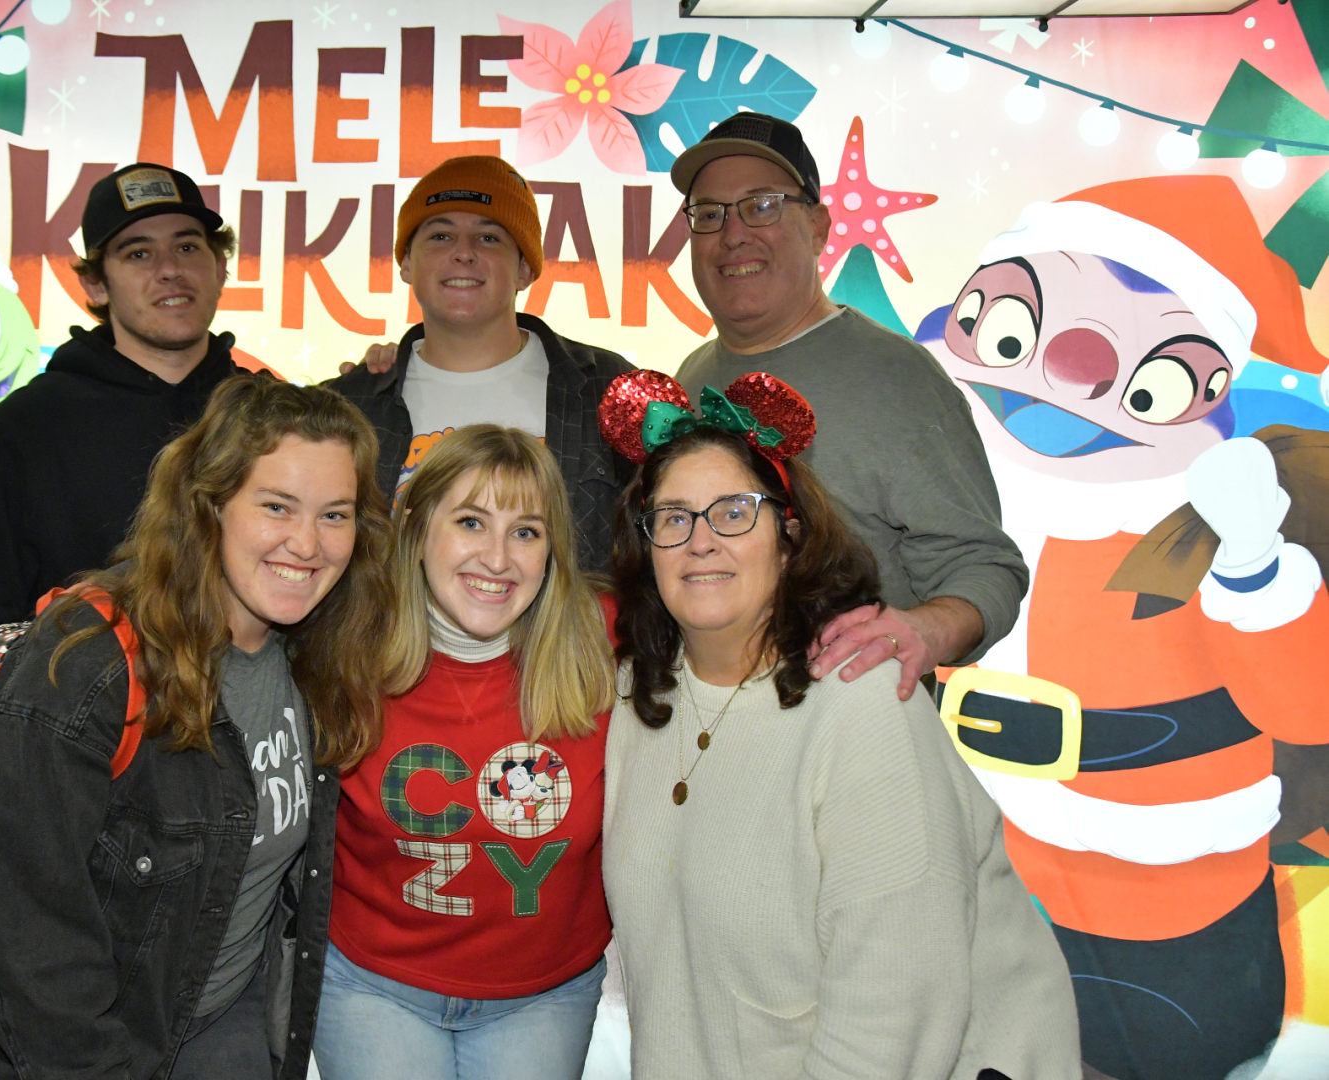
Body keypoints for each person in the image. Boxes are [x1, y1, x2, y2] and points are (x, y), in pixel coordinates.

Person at [598, 371, 1081, 1079]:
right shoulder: (635, 696)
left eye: (735, 512)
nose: (701, 541)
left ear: (789, 536)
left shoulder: (862, 699)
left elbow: (894, 1011)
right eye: (674, 518)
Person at [0, 375, 392, 1080]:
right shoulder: (90, 665)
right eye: (276, 506)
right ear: (211, 505)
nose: (307, 543)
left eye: (335, 515)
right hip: (69, 1046)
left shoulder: (321, 655)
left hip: (220, 1016)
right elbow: (29, 942)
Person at [669, 112, 1028, 700]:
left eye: (762, 206)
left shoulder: (899, 379)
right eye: (709, 214)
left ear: (818, 228)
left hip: (855, 728)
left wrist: (925, 629)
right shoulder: (692, 377)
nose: (733, 234)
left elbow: (986, 568)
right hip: (708, 724)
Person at [0, 162, 251, 750]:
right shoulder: (30, 423)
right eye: (138, 253)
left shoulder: (266, 417)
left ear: (220, 267)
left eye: (188, 246)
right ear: (95, 285)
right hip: (81, 751)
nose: (170, 269)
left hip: (247, 741)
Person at [314, 425, 617, 1080]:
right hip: (372, 985)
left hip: (543, 996)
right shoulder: (342, 643)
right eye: (471, 522)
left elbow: (743, 613)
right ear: (417, 528)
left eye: (526, 531)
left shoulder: (606, 638)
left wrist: (858, 620)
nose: (498, 558)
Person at [329, 155, 635, 573]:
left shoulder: (608, 388)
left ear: (524, 269)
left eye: (488, 238)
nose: (463, 253)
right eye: (440, 236)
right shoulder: (350, 404)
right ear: (406, 263)